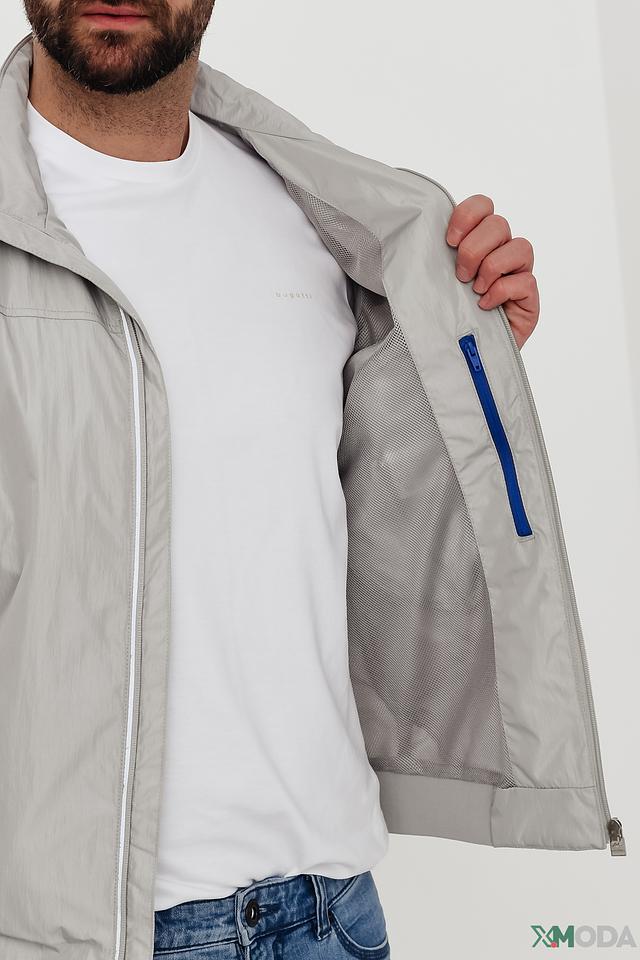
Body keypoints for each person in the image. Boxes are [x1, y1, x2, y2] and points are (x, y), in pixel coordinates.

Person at [14, 2, 616, 959]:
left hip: (332, 913)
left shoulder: (319, 215)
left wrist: (461, 359)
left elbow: (346, 518)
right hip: (75, 930)